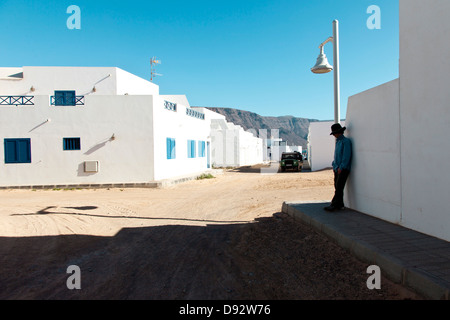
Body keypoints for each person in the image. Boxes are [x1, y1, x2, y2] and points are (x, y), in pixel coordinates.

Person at [324, 123, 352, 212]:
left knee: (339, 187)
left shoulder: (346, 142)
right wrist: (334, 165)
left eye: (335, 133)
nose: (334, 135)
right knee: (337, 186)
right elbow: (336, 156)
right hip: (337, 168)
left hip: (343, 169)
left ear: (339, 132)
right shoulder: (338, 142)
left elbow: (346, 156)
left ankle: (334, 204)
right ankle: (340, 204)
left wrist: (342, 167)